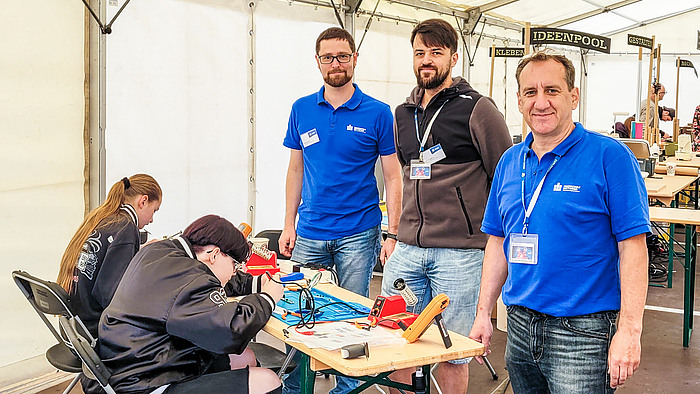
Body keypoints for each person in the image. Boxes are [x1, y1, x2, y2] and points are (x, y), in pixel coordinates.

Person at [469, 50, 650, 393]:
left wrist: (629, 330)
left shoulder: (609, 157)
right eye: (531, 92)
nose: (541, 102)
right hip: (520, 325)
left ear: (573, 96)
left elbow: (633, 248)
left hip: (583, 332)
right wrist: (483, 312)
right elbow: (497, 241)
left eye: (552, 90)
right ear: (519, 100)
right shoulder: (509, 161)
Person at [380, 19, 512, 394]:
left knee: (453, 350)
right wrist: (393, 234)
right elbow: (404, 177)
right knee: (394, 342)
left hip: (461, 254)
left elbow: (503, 176)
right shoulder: (402, 114)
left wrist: (494, 243)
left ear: (453, 58)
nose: (427, 61)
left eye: (435, 53)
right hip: (407, 248)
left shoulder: (478, 109)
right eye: (420, 53)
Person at [279, 27, 402, 394]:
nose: (336, 63)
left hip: (359, 233)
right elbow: (295, 169)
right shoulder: (301, 109)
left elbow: (394, 177)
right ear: (317, 62)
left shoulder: (379, 113)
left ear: (354, 59)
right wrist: (289, 224)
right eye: (328, 57)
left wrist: (392, 232)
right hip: (311, 231)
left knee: (352, 316)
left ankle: (348, 386)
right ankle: (295, 385)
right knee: (298, 310)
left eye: (343, 56)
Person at [98, 215, 284, 394]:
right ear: (215, 254)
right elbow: (231, 331)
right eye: (235, 265)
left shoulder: (163, 253)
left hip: (131, 363)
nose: (235, 272)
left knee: (245, 357)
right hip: (147, 382)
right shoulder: (190, 279)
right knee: (268, 381)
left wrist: (256, 283)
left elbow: (211, 280)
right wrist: (268, 298)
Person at [57, 174, 162, 336]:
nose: (152, 220)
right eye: (154, 210)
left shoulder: (106, 217)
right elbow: (111, 296)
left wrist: (138, 252)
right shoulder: (127, 227)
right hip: (93, 330)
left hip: (73, 327)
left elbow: (103, 260)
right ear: (143, 201)